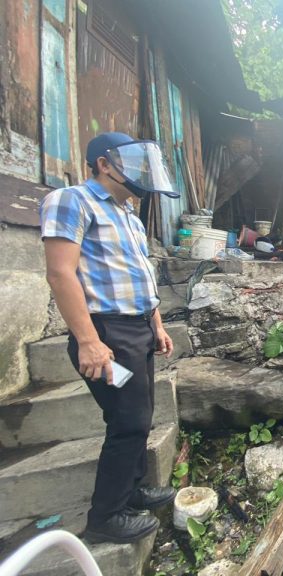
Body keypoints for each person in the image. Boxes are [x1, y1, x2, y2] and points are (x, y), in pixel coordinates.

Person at [40, 132, 182, 543]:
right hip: (106, 333)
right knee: (129, 420)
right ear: (104, 163)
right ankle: (106, 516)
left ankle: (132, 489)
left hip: (136, 330)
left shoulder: (129, 216)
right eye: (130, 161)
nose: (139, 172)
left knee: (135, 413)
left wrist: (155, 324)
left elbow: (139, 275)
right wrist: (87, 341)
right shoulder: (72, 201)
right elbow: (61, 273)